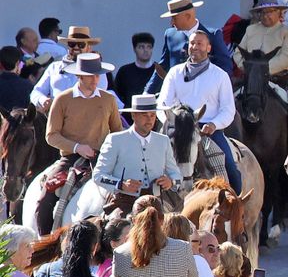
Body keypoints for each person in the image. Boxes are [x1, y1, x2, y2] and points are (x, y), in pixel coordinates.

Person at [36, 52, 123, 231]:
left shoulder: (108, 100)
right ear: (79, 76)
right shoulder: (62, 99)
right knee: (45, 200)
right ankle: (45, 243)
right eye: (90, 76)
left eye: (97, 75)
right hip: (70, 159)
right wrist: (77, 147)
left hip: (103, 159)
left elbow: (117, 133)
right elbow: (51, 135)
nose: (95, 79)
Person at [155, 22, 242, 193]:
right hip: (176, 130)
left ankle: (237, 203)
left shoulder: (220, 75)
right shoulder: (174, 73)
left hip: (207, 130)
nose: (195, 47)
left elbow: (228, 109)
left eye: (200, 44)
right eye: (192, 44)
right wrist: (171, 122)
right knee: (148, 162)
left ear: (209, 48)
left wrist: (214, 124)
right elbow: (162, 104)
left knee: (230, 167)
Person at [91, 93, 181, 213]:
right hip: (124, 203)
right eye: (145, 115)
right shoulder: (115, 140)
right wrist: (121, 184)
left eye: (152, 115)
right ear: (133, 115)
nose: (149, 120)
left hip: (156, 204)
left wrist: (171, 182)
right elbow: (98, 175)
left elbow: (177, 176)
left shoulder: (163, 141)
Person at [150, 0, 232, 88]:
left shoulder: (212, 35)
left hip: (205, 94)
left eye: (174, 18)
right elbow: (163, 66)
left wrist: (214, 88)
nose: (171, 22)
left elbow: (225, 65)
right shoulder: (170, 35)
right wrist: (147, 92)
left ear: (188, 16)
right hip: (177, 94)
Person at [30, 26, 111, 109]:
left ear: (88, 48)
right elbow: (36, 92)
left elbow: (99, 96)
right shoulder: (54, 67)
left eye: (81, 45)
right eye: (72, 44)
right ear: (68, 46)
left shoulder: (96, 69)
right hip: (55, 116)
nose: (76, 47)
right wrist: (43, 100)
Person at [111, 33, 159, 105]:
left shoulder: (159, 71)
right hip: (129, 114)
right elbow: (117, 96)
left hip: (153, 114)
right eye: (141, 47)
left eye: (149, 47)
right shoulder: (124, 72)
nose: (146, 50)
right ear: (134, 49)